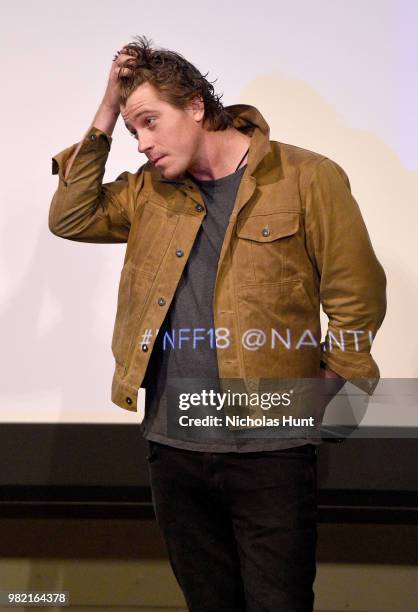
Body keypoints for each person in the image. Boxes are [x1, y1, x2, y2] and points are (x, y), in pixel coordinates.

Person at [48, 36, 387, 611]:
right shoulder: (148, 193)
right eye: (134, 132)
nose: (144, 144)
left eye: (151, 121)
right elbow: (71, 215)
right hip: (173, 447)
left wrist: (323, 390)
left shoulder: (307, 178)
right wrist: (108, 110)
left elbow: (356, 298)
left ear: (197, 105)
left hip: (269, 451)